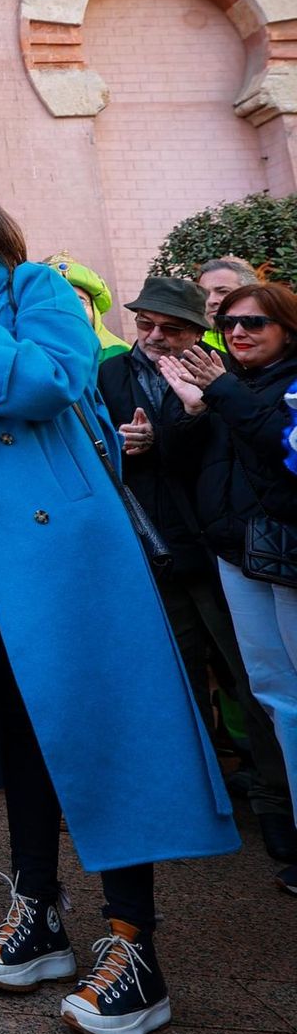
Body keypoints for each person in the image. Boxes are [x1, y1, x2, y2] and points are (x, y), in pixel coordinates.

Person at [0, 183, 238, 1034]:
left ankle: (134, 947)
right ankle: (38, 911)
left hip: (60, 550)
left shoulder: (39, 290)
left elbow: (49, 383)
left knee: (96, 725)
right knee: (19, 728)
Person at [101, 275, 296, 868]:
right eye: (147, 324)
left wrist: (172, 427)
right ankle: (198, 800)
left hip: (224, 548)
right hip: (150, 545)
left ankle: (274, 805)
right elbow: (87, 440)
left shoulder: (223, 373)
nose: (157, 337)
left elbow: (234, 450)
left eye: (173, 327)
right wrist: (120, 441)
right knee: (182, 682)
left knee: (257, 684)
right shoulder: (110, 372)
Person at [160, 278, 297, 897]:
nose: (238, 331)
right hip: (237, 559)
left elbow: (278, 446)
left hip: (288, 562)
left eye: (255, 324)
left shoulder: (278, 385)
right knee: (274, 696)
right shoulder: (223, 386)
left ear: (286, 332)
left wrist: (219, 392)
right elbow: (192, 464)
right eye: (232, 322)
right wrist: (190, 413)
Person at [197, 256, 260, 352]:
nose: (211, 300)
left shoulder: (274, 336)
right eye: (205, 293)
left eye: (223, 292)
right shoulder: (187, 342)